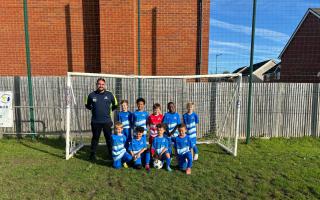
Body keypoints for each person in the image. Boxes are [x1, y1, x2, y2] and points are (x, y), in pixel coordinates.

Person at [85, 77, 118, 161]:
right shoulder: (91, 95)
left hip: (107, 121)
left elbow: (115, 105)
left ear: (105, 85)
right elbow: (87, 105)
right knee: (95, 138)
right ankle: (92, 155)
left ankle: (111, 154)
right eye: (99, 84)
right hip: (95, 121)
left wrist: (107, 112)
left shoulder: (110, 95)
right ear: (96, 85)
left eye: (102, 84)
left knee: (109, 139)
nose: (101, 86)